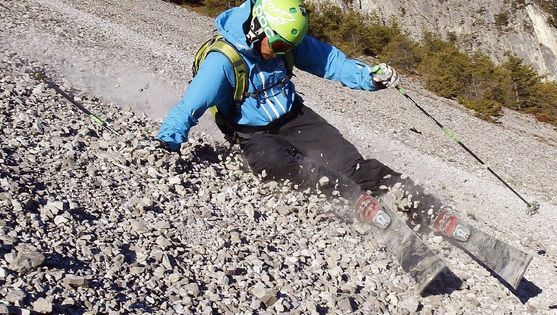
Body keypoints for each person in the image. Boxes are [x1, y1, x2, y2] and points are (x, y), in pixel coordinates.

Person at [157, 0, 446, 230]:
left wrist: (369, 78)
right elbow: (190, 106)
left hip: (296, 117)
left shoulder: (283, 43)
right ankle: (348, 196)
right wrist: (166, 142)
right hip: (253, 133)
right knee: (276, 163)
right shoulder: (222, 61)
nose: (285, 51)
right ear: (257, 28)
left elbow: (331, 62)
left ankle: (421, 202)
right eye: (280, 45)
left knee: (350, 163)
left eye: (290, 47)